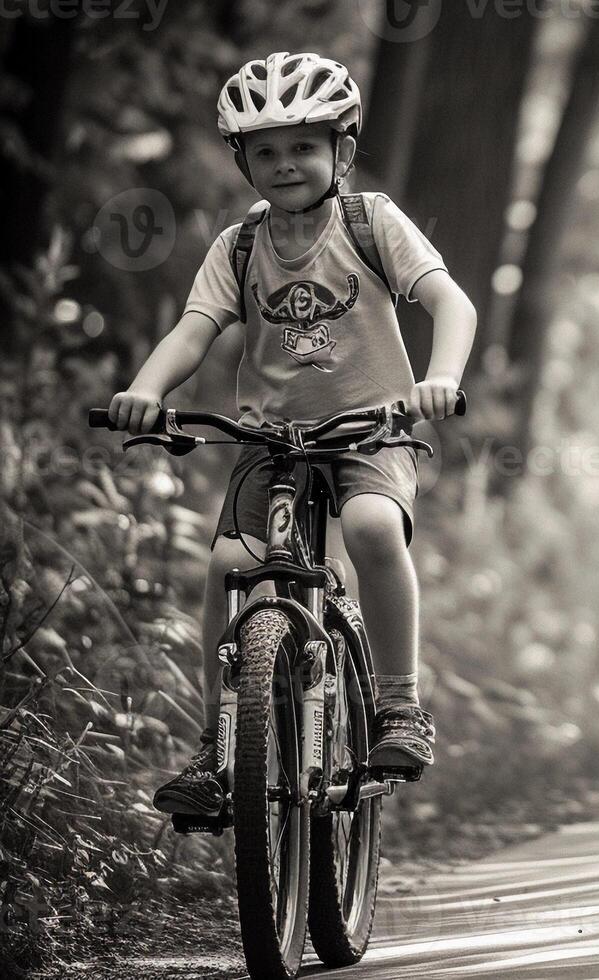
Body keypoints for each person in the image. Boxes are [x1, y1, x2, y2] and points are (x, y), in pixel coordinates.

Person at [106, 52, 476, 813]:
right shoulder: (238, 247)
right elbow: (194, 330)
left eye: (303, 146)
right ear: (242, 159)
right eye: (264, 151)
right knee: (225, 566)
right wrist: (145, 390)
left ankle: (400, 706)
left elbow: (452, 304)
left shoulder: (371, 222)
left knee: (374, 528)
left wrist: (439, 378)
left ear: (341, 149)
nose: (284, 164)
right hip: (271, 441)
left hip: (370, 429)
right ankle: (216, 748)